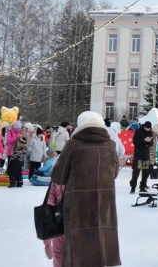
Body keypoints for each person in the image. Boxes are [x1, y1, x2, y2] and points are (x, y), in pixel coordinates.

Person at [50, 111, 121, 267]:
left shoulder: (73, 144)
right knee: (100, 244)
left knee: (78, 248)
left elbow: (58, 176)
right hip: (104, 205)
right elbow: (114, 173)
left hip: (78, 206)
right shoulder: (110, 145)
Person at [130, 120, 156, 194]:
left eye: (149, 128)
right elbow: (135, 141)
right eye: (147, 128)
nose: (148, 129)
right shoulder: (138, 131)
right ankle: (133, 187)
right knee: (136, 172)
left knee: (145, 173)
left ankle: (142, 187)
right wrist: (144, 140)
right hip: (138, 155)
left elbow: (151, 143)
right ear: (144, 126)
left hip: (146, 155)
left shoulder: (150, 132)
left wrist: (148, 143)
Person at [43, 183, 65, 267]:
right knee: (58, 252)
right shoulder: (57, 174)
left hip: (75, 221)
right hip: (58, 219)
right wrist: (52, 209)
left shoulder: (79, 174)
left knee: (74, 252)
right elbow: (51, 194)